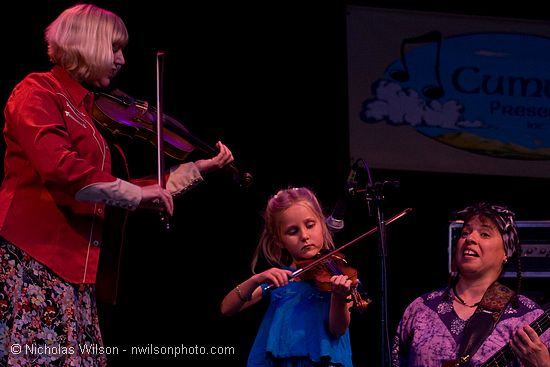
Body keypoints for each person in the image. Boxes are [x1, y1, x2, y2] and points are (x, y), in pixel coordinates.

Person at [0, 4, 234, 366]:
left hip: (76, 273)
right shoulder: (37, 91)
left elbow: (113, 186)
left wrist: (194, 170)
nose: (122, 60)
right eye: (114, 48)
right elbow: (62, 169)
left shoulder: (87, 111)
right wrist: (137, 195)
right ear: (87, 43)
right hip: (35, 260)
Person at [391, 203, 550, 367]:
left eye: (485, 234)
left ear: (506, 252)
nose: (470, 238)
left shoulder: (527, 316)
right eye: (465, 233)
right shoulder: (420, 309)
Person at [221, 187, 359, 367]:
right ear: (279, 240)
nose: (305, 236)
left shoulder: (339, 275)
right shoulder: (281, 279)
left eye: (310, 225)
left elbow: (338, 329)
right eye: (293, 232)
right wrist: (257, 279)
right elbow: (227, 308)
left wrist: (339, 297)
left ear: (322, 225)